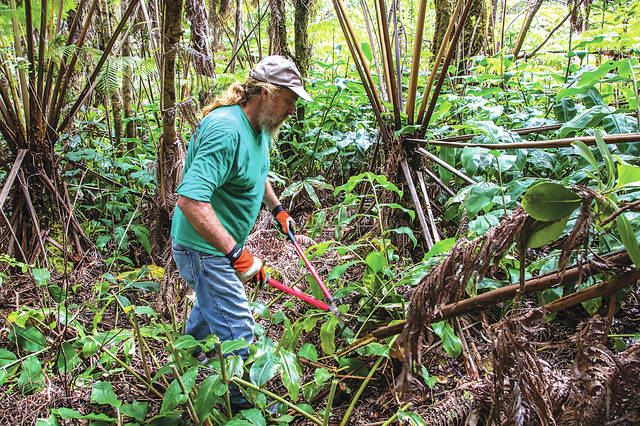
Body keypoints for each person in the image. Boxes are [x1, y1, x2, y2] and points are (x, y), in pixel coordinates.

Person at [170, 56, 312, 408]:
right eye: (290, 100)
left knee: (212, 303)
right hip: (202, 248)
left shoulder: (257, 128)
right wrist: (237, 254)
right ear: (266, 93)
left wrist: (277, 209)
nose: (292, 110)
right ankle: (247, 403)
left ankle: (190, 356)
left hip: (219, 246)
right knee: (239, 330)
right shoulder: (225, 129)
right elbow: (190, 200)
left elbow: (255, 172)